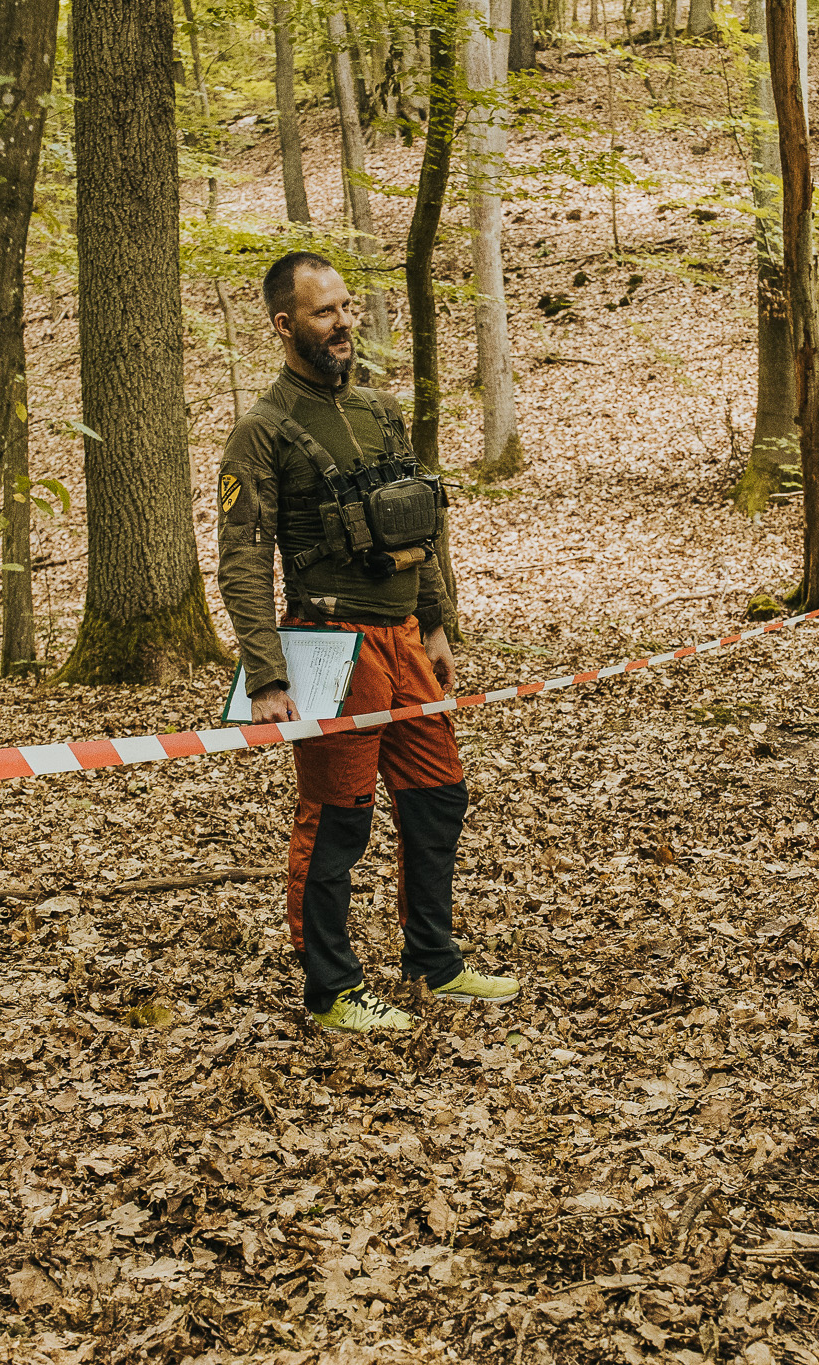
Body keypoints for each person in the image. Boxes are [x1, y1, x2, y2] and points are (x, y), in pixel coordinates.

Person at [216, 250, 520, 1034]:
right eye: (325, 312)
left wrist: (438, 621)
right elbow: (242, 557)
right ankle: (332, 988)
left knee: (437, 795)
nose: (345, 322)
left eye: (347, 307)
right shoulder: (263, 432)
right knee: (337, 816)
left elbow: (422, 521)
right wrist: (266, 674)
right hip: (329, 643)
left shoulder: (382, 412)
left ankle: (434, 960)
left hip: (405, 639)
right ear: (284, 325)